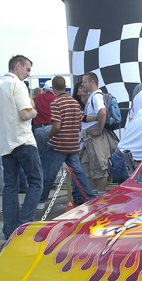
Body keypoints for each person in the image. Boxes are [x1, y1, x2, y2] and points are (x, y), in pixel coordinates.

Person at [0, 55, 42, 240]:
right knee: (35, 182)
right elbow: (25, 114)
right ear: (17, 66)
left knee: (9, 187)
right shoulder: (18, 85)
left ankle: (9, 229)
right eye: (27, 69)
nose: (27, 74)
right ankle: (23, 224)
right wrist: (33, 111)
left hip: (4, 143)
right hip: (22, 140)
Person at [37, 76, 96, 210]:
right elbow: (82, 119)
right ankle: (91, 198)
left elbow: (57, 126)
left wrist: (48, 135)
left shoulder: (56, 103)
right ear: (64, 86)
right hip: (73, 145)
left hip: (58, 145)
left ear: (53, 88)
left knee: (49, 175)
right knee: (79, 174)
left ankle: (41, 201)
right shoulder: (75, 102)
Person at [79, 72, 113, 195]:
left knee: (99, 167)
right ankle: (94, 195)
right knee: (88, 167)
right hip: (89, 139)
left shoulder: (96, 97)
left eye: (84, 81)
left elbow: (102, 112)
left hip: (95, 139)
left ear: (92, 82)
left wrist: (99, 130)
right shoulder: (93, 96)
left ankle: (99, 195)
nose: (82, 84)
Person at [32, 79, 56, 159]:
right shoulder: (56, 98)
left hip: (39, 129)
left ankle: (41, 171)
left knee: (40, 156)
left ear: (45, 89)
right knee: (51, 155)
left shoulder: (38, 97)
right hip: (51, 128)